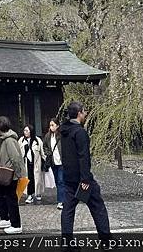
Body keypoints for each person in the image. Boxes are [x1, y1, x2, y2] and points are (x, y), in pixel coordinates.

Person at [60, 102, 111, 251]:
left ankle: (67, 244)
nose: (86, 114)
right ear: (79, 113)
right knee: (98, 207)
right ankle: (106, 241)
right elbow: (83, 157)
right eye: (84, 111)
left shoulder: (64, 131)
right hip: (82, 179)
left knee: (68, 210)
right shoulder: (79, 132)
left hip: (69, 177)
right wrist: (86, 179)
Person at [0, 116, 25, 235]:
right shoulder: (4, 139)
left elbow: (16, 158)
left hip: (11, 175)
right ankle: (5, 218)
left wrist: (20, 174)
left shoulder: (9, 140)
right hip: (4, 174)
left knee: (11, 199)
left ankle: (16, 224)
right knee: (0, 196)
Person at [18, 124, 46, 204]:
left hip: (36, 163)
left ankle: (38, 193)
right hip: (26, 163)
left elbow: (42, 152)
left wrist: (46, 162)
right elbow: (19, 153)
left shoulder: (37, 140)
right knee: (28, 179)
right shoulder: (21, 140)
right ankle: (29, 195)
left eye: (27, 130)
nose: (25, 132)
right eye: (24, 130)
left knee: (37, 179)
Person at [43, 117, 65, 209]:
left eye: (53, 125)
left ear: (57, 126)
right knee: (57, 181)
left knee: (61, 181)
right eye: (50, 125)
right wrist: (48, 153)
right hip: (53, 162)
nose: (51, 127)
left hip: (61, 162)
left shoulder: (61, 135)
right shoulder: (48, 136)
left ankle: (61, 201)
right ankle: (63, 197)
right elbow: (45, 147)